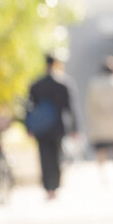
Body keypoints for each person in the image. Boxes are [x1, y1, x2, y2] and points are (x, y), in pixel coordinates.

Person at [27, 54, 79, 200]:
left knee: (44, 157)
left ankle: (48, 187)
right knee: (57, 157)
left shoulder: (36, 84)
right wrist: (75, 128)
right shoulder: (63, 84)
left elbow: (29, 107)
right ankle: (54, 186)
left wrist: (29, 128)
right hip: (58, 126)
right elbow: (70, 108)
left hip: (41, 128)